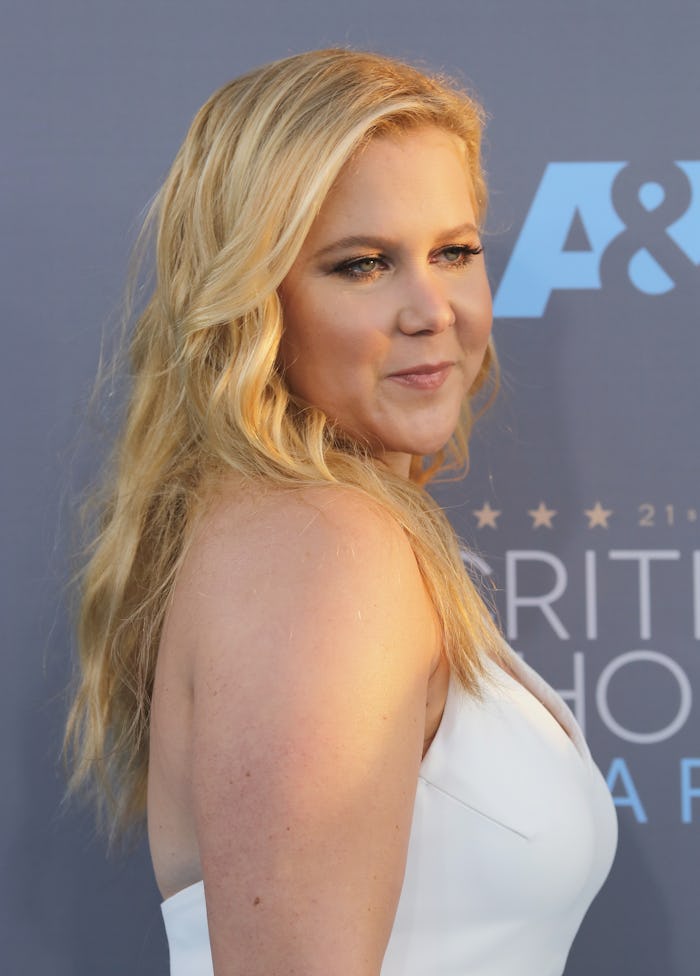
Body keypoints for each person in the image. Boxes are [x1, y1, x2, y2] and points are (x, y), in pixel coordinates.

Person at [65, 48, 617, 976]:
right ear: (257, 302)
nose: (432, 309)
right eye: (363, 265)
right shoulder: (319, 546)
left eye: (455, 252)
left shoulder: (326, 532)